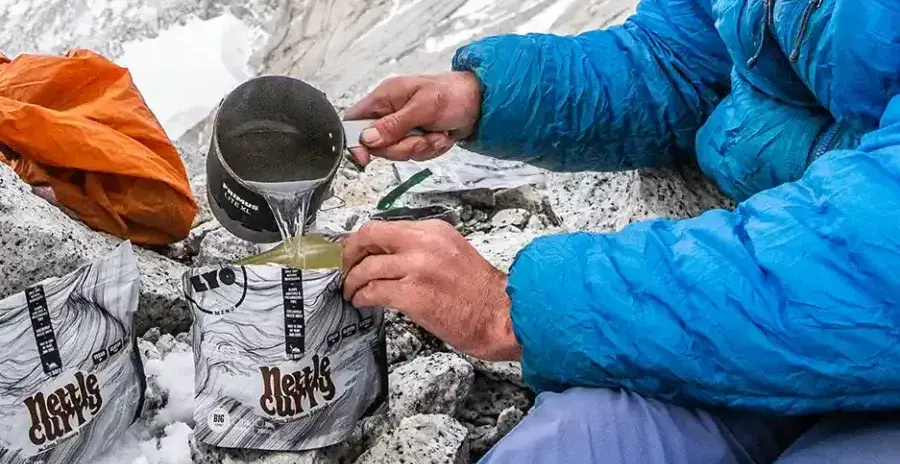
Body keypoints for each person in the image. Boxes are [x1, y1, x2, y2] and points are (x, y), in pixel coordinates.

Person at [341, 0, 900, 462]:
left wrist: (510, 309)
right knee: (574, 446)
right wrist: (484, 99)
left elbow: (876, 259)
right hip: (757, 303)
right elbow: (685, 58)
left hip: (850, 307)